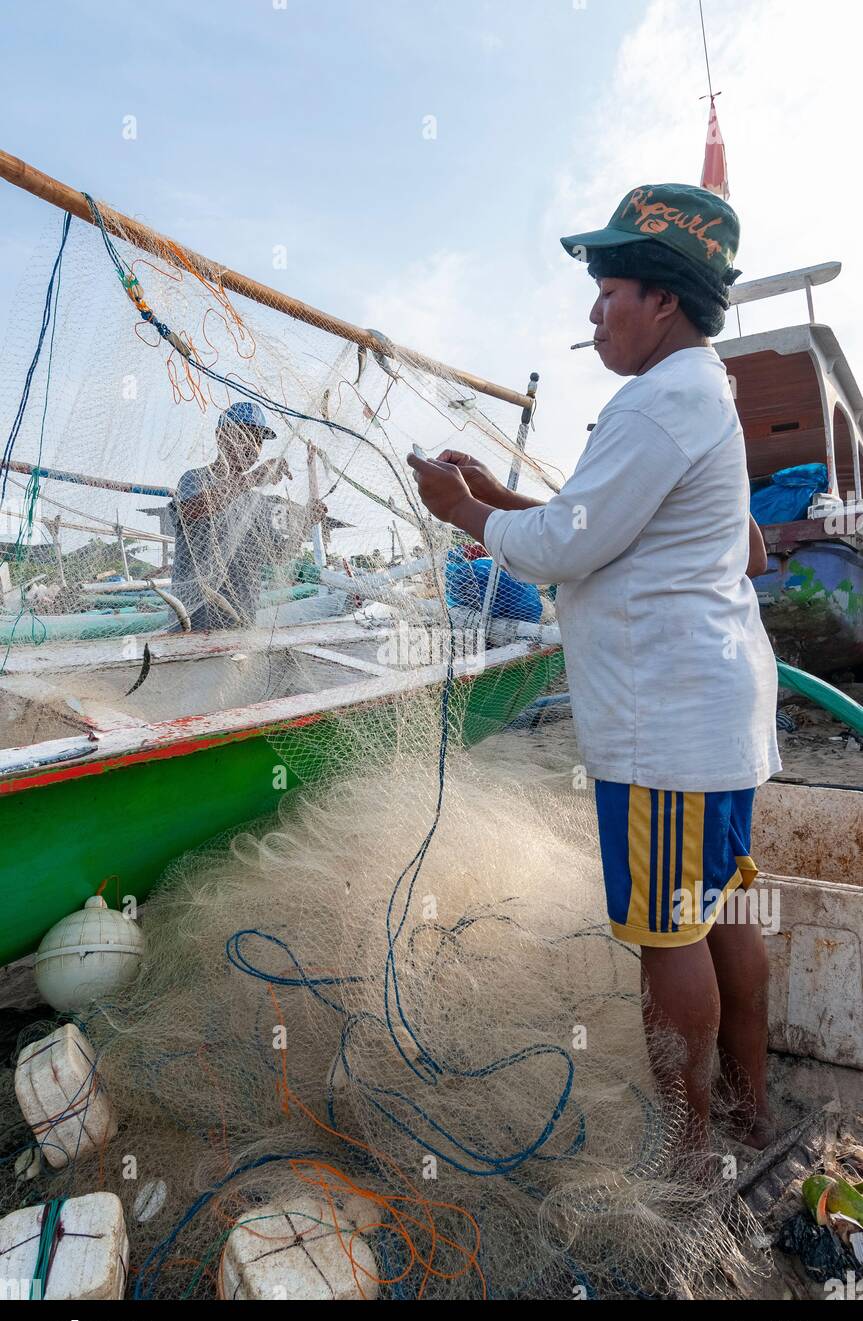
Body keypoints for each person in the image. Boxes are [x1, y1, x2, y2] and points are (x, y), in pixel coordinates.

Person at [408, 183, 781, 1154]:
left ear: (660, 298)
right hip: (718, 721)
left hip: (663, 729)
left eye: (607, 289)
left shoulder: (654, 401)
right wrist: (499, 495)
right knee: (725, 909)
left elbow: (568, 548)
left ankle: (687, 1155)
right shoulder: (702, 396)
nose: (592, 313)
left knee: (668, 935)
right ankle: (749, 1110)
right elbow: (644, 536)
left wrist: (462, 511)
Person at [170, 401, 325, 630]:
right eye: (244, 435)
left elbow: (279, 556)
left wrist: (304, 524)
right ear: (220, 436)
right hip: (193, 627)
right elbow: (192, 510)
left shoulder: (258, 503)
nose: (252, 446)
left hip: (241, 624)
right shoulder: (194, 480)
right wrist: (254, 478)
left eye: (258, 440)